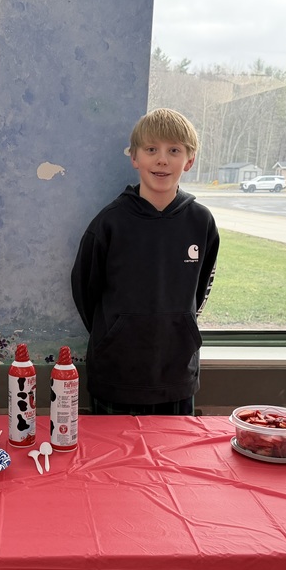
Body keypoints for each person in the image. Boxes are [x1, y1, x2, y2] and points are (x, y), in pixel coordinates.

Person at [71, 107, 219, 416]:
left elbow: (201, 286)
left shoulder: (201, 222)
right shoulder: (109, 223)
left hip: (177, 374)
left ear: (189, 161)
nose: (162, 159)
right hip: (116, 375)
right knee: (114, 463)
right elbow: (85, 290)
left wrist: (181, 326)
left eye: (173, 150)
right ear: (135, 158)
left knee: (173, 462)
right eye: (151, 149)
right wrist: (116, 332)